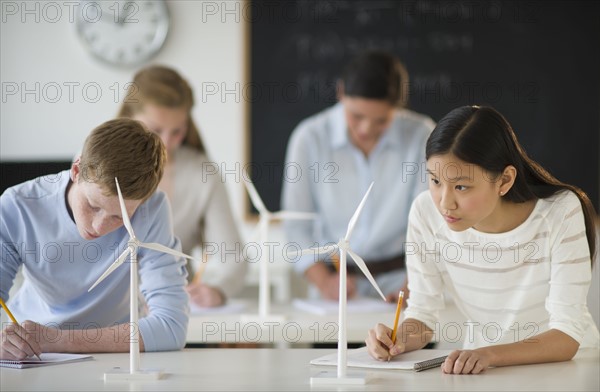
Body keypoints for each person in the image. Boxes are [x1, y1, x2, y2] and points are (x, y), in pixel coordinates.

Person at [365, 105, 600, 374]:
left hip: (568, 370)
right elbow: (422, 315)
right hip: (482, 370)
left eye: (461, 187)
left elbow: (566, 336)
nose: (445, 203)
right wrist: (396, 339)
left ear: (504, 180)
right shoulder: (425, 213)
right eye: (435, 181)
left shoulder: (560, 212)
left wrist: (488, 354)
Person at [0, 119, 189, 360]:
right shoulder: (17, 206)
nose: (99, 227)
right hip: (30, 353)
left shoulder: (152, 209)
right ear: (76, 171)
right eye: (92, 205)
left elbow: (172, 328)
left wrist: (56, 340)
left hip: (113, 357)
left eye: (121, 217)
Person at [281, 51, 435, 302]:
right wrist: (324, 282)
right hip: (334, 288)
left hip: (402, 283)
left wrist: (415, 284)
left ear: (397, 107)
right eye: (357, 116)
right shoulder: (309, 137)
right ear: (341, 93)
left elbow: (430, 222)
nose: (366, 129)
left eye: (381, 120)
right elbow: (296, 226)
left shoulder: (421, 135)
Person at [117, 65, 247, 307]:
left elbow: (233, 258)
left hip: (175, 306)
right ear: (129, 116)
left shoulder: (203, 173)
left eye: (177, 131)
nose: (165, 143)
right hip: (106, 307)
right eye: (155, 130)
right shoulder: (97, 162)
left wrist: (218, 290)